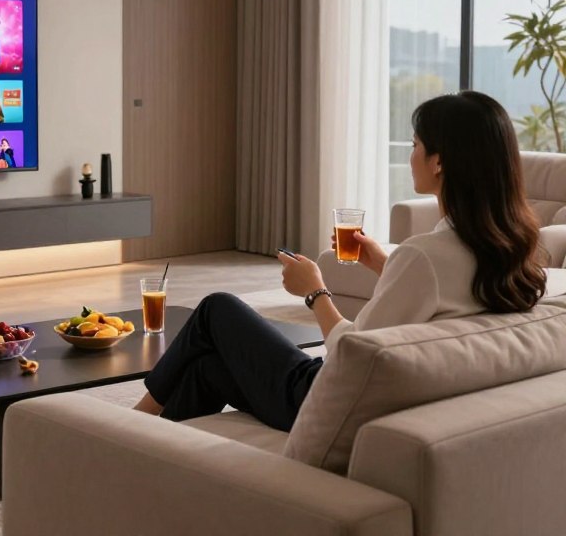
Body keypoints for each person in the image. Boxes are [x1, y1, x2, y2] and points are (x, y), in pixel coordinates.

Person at [133, 91, 547, 430]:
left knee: (216, 309)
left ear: (439, 162)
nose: (412, 155)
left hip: (324, 399)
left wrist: (314, 291)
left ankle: (133, 424)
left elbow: (351, 350)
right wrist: (385, 263)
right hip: (391, 400)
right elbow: (448, 295)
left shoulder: (425, 256)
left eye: (417, 145)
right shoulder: (510, 250)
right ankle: (152, 451)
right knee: (207, 366)